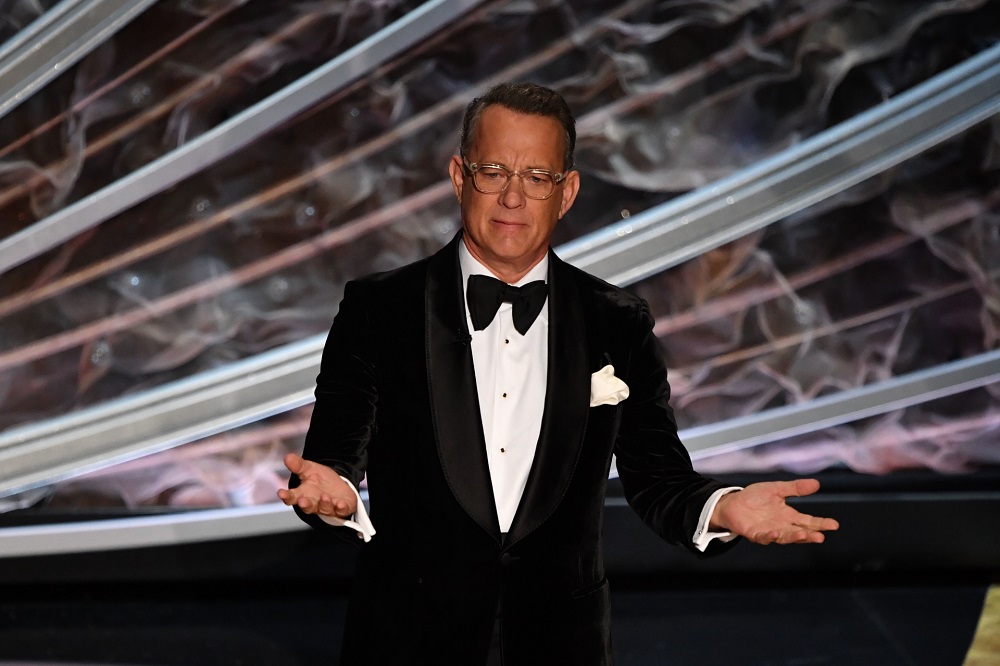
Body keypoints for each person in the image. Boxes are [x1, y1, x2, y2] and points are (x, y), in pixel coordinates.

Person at [278, 82, 839, 665]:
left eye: (537, 177)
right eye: (493, 171)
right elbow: (334, 458)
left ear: (566, 191)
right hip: (407, 639)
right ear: (458, 175)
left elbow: (658, 476)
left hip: (561, 643)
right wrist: (333, 494)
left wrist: (722, 508)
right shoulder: (379, 309)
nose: (513, 197)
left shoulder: (616, 321)